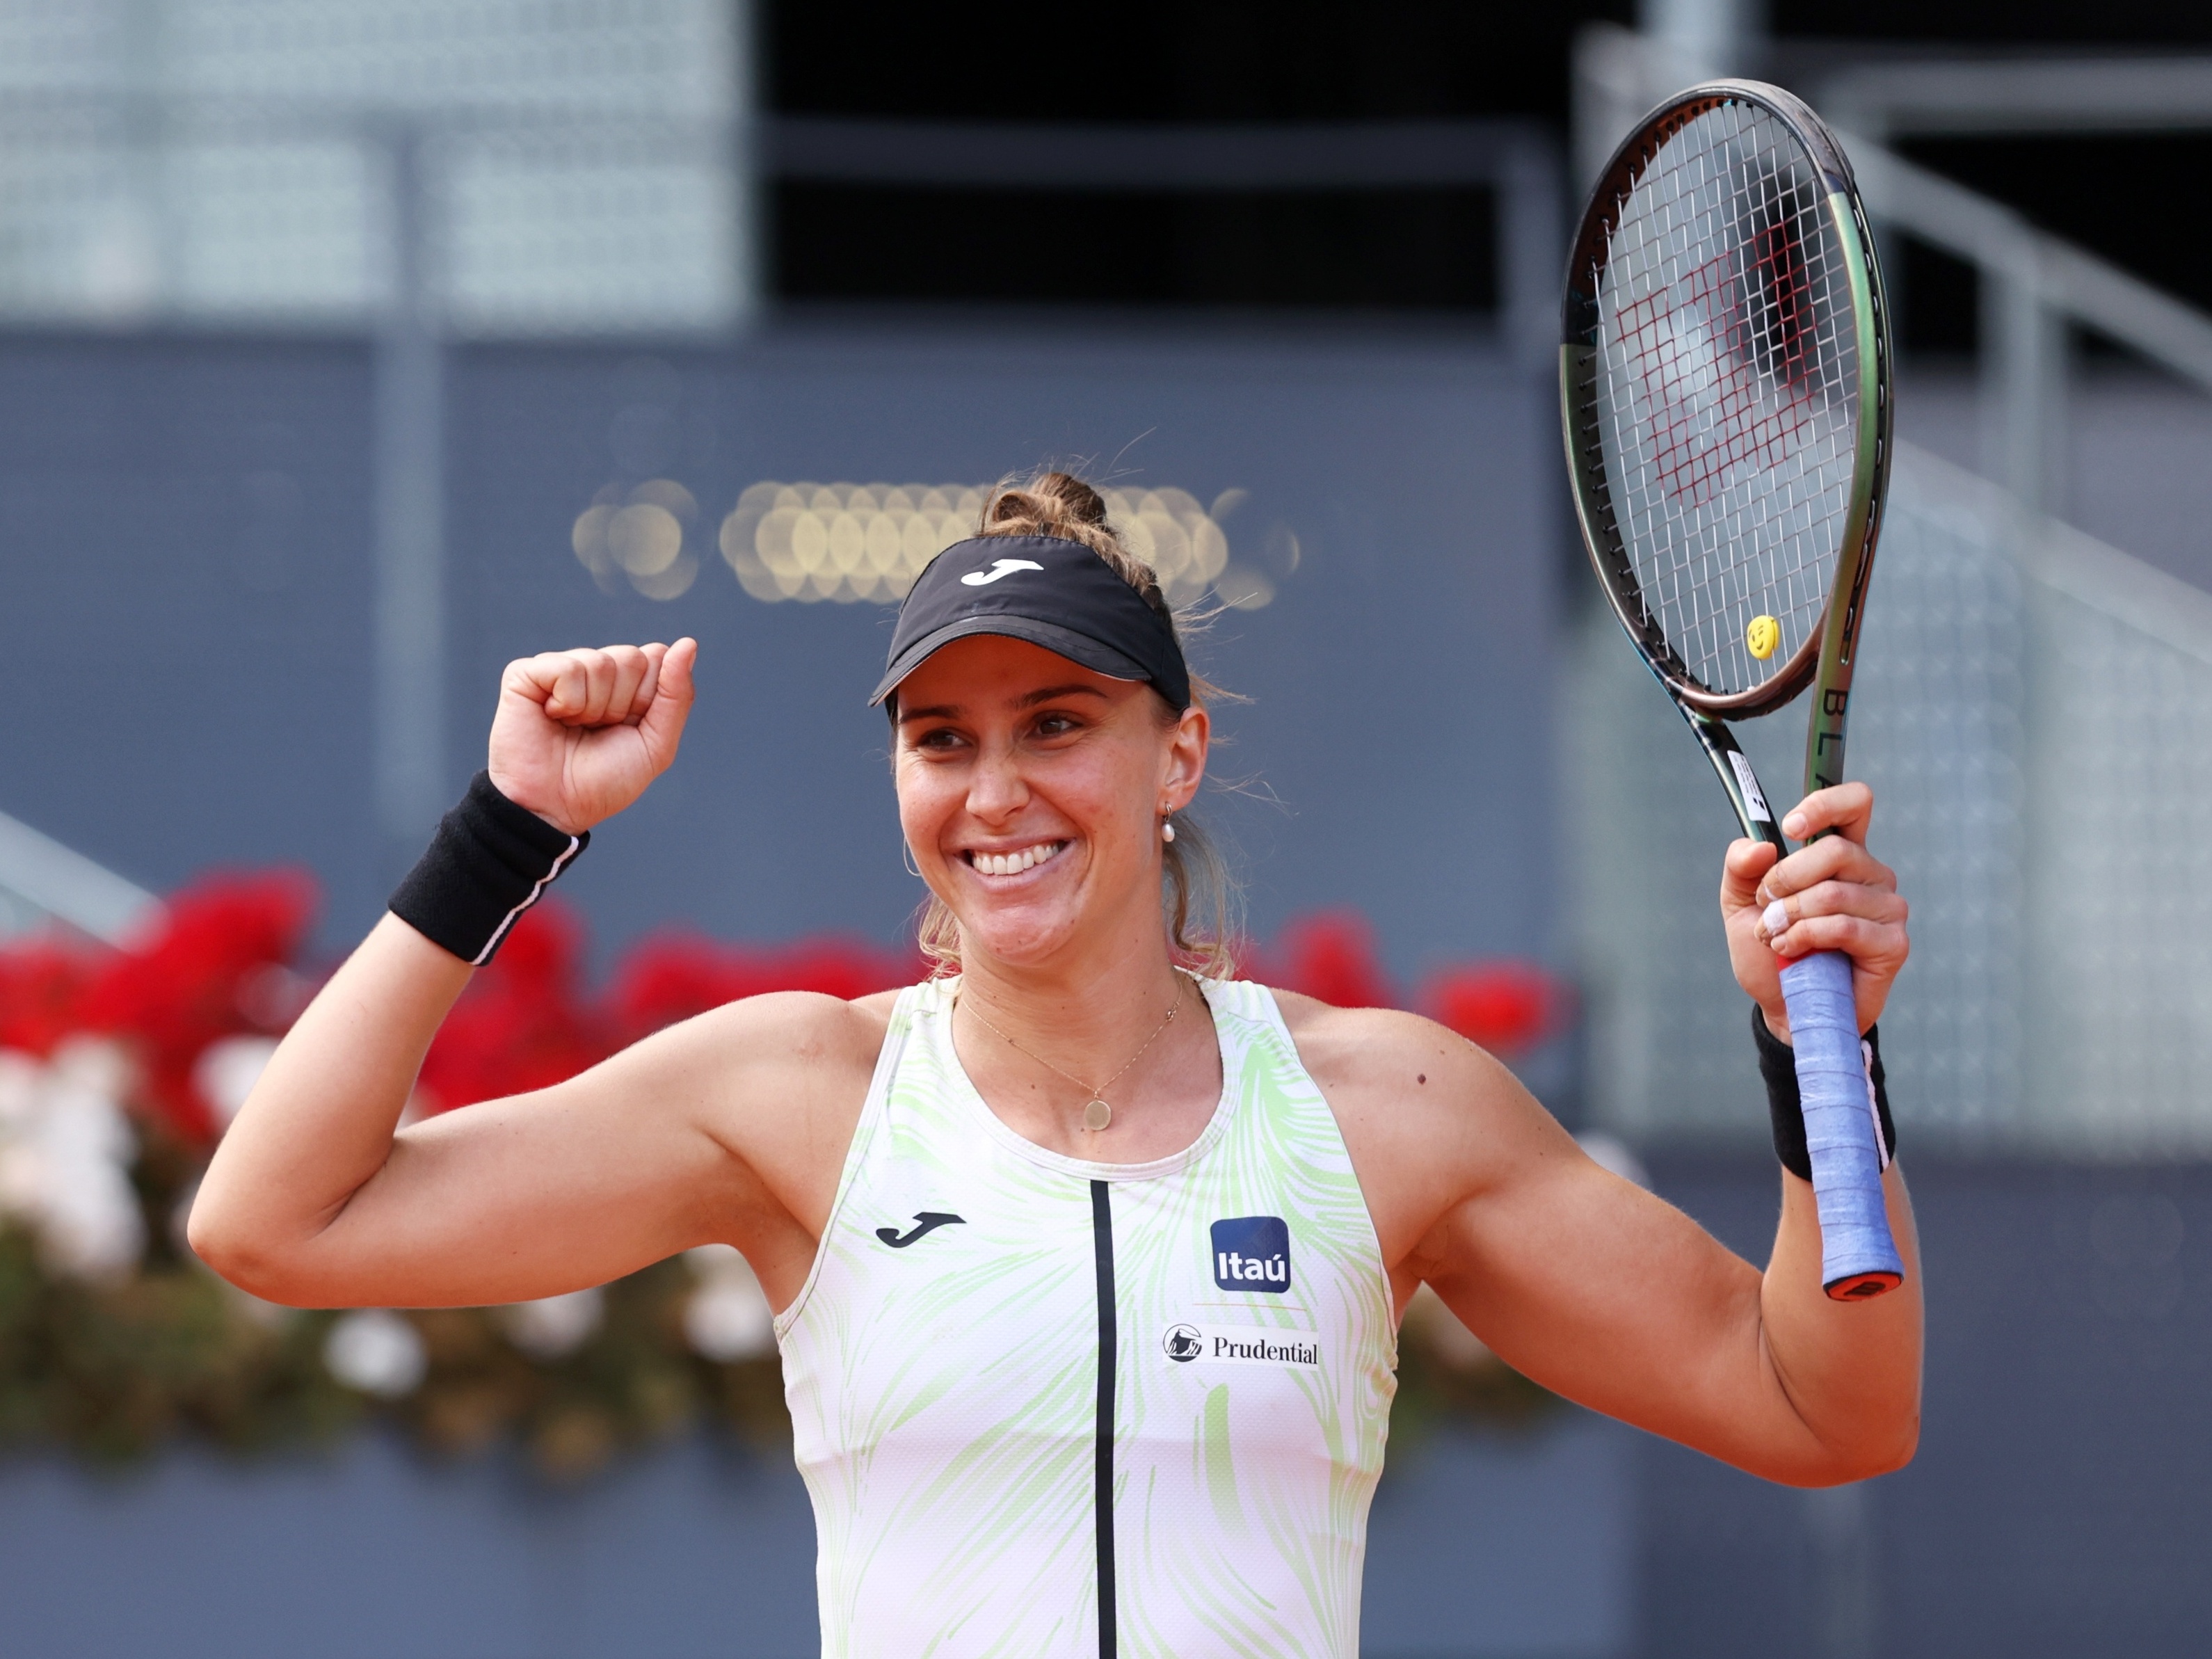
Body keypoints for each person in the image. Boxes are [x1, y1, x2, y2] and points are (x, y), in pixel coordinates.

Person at [191, 472, 1921, 1657]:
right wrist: (511, 830)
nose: (994, 791)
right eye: (943, 739)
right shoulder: (802, 1095)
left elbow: (1824, 1406)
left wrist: (1808, 1054)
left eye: (1058, 725)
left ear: (1179, 754)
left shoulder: (1387, 1108)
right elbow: (276, 1218)